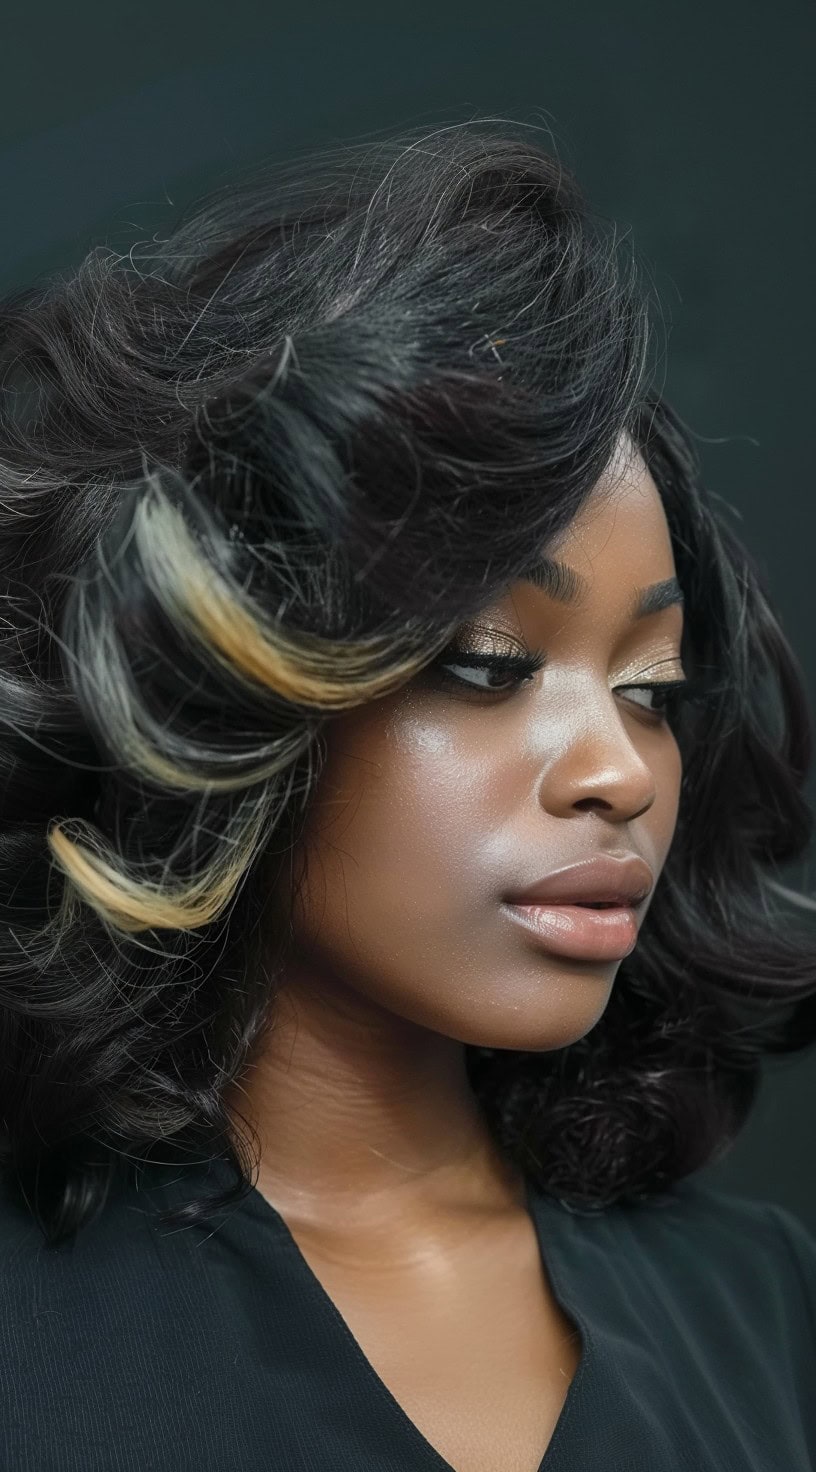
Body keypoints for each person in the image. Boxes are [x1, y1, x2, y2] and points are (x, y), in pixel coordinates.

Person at [0, 118, 813, 1472]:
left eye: (653, 689)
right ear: (228, 690)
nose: (617, 772)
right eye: (489, 668)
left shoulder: (761, 1308)